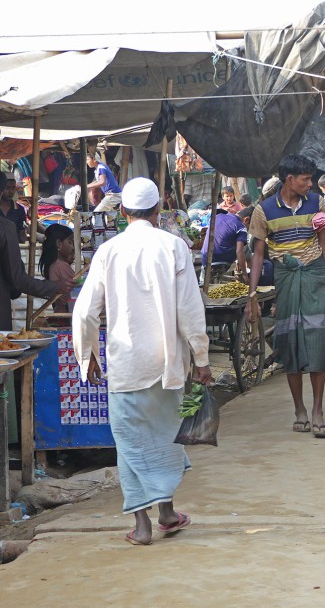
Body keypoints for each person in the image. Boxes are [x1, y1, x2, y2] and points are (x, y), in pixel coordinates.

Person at [72, 178, 212, 546]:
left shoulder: (108, 251)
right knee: (166, 436)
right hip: (168, 363)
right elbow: (190, 310)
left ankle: (145, 524)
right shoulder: (174, 246)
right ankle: (166, 512)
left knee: (131, 443)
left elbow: (85, 311)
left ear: (122, 212)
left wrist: (86, 354)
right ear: (159, 209)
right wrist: (201, 358)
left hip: (126, 364)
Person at [246, 155, 325, 437]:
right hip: (286, 278)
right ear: (289, 179)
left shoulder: (316, 203)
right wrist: (252, 295)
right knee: (290, 343)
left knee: (317, 341)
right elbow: (258, 255)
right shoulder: (263, 210)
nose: (310, 184)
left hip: (316, 276)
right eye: (305, 179)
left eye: (310, 179)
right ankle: (299, 410)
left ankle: (317, 410)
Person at [201, 208, 248, 282]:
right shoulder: (241, 227)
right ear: (247, 220)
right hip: (224, 260)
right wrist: (245, 274)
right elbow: (239, 251)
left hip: (205, 257)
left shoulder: (217, 216)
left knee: (204, 284)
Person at [39, 224, 76, 314]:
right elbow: (76, 287)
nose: (73, 247)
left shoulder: (53, 265)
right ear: (59, 243)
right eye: (70, 242)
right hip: (67, 312)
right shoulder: (61, 266)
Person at [0, 172, 28, 242]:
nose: (11, 191)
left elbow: (22, 233)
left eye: (13, 188)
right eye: (8, 188)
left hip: (13, 246)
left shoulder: (20, 210)